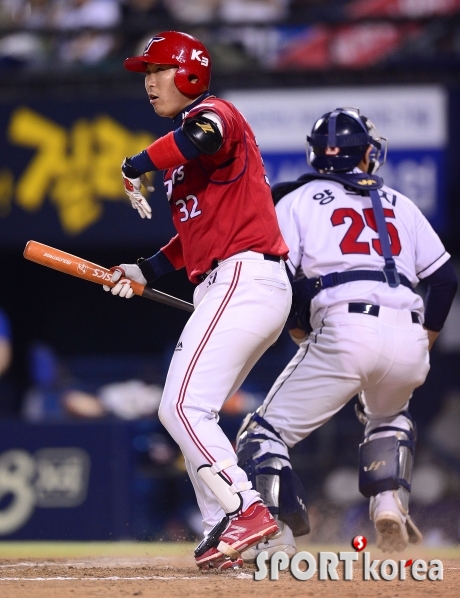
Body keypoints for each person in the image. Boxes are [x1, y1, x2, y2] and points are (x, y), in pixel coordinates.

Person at [103, 31, 291, 570]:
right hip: (233, 280)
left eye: (159, 70)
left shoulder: (215, 114)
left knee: (179, 406)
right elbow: (191, 241)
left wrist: (137, 161)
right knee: (193, 411)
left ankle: (246, 508)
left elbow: (203, 135)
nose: (150, 82)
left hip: (243, 276)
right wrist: (143, 269)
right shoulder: (183, 165)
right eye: (146, 73)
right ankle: (223, 531)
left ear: (188, 72)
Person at [235, 107, 458, 560]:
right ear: (366, 154)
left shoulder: (296, 200)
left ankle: (275, 533)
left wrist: (297, 327)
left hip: (345, 328)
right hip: (408, 335)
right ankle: (389, 501)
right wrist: (427, 338)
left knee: (261, 435)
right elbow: (445, 278)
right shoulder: (400, 202)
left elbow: (286, 279)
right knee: (388, 416)